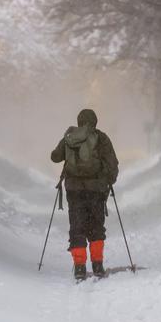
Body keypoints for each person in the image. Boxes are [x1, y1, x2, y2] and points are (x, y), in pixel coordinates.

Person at [51, 109, 119, 281]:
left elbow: (55, 157)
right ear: (95, 121)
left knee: (77, 226)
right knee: (96, 225)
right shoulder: (101, 138)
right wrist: (109, 181)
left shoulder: (70, 136)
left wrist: (67, 146)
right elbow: (112, 163)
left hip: (74, 189)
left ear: (79, 121)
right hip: (96, 189)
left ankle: (80, 268)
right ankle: (97, 265)